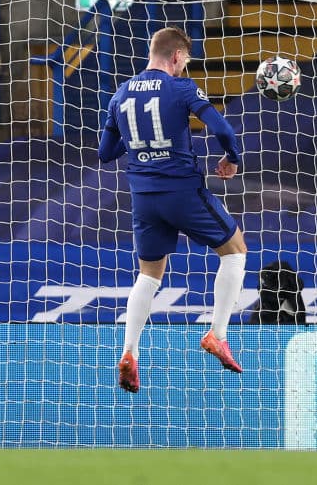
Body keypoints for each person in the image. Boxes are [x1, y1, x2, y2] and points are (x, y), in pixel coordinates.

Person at [98, 26, 247, 393]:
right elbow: (222, 128)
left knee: (148, 274)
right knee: (235, 252)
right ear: (177, 56)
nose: (184, 67)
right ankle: (218, 334)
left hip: (143, 198)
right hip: (181, 190)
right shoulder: (181, 88)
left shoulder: (121, 93)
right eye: (186, 61)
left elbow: (105, 152)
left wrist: (138, 143)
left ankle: (129, 351)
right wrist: (232, 158)